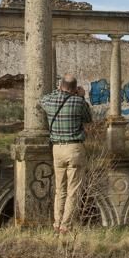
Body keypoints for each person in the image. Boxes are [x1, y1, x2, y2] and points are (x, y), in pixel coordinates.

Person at [40, 74, 92, 232]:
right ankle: (66, 225)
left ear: (60, 86)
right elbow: (88, 119)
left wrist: (59, 91)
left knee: (59, 189)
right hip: (74, 148)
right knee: (73, 190)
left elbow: (42, 99)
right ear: (75, 88)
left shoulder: (49, 101)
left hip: (57, 149)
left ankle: (57, 222)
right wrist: (82, 97)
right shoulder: (78, 102)